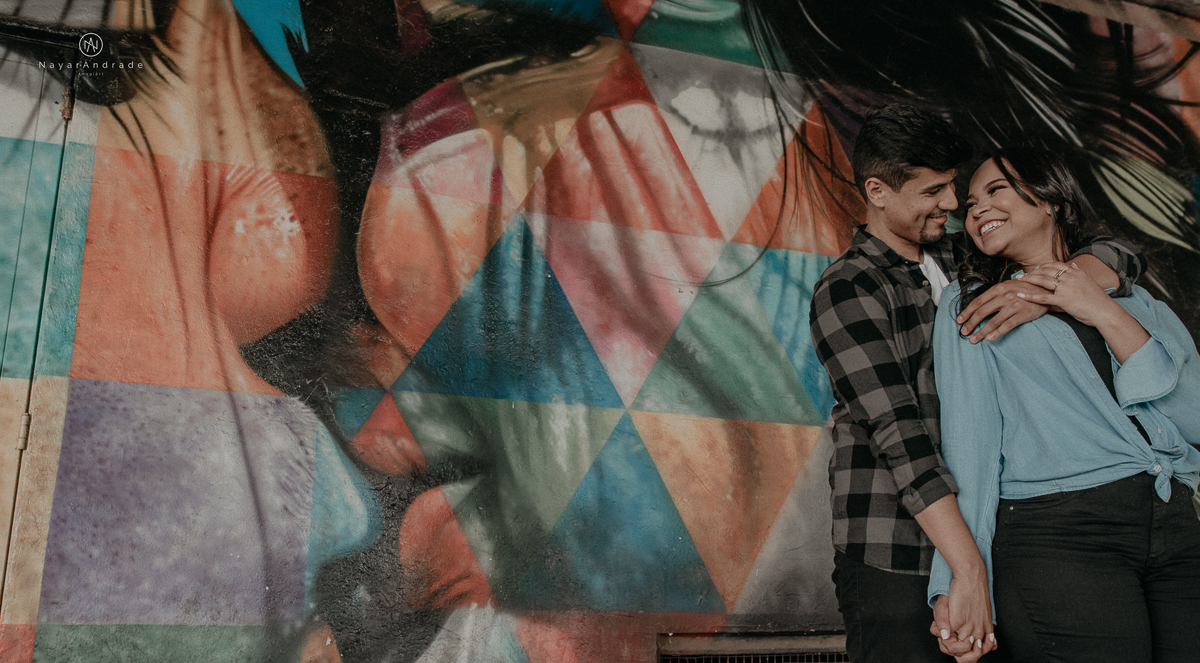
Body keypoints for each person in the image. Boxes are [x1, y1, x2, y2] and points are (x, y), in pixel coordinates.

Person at [809, 105, 1146, 663]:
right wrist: (965, 568)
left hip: (996, 536)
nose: (952, 203)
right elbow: (902, 437)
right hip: (898, 549)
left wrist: (1047, 287)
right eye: (933, 190)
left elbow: (1120, 254)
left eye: (953, 187)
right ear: (878, 191)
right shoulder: (848, 289)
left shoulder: (967, 252)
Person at [928, 147, 1200, 663]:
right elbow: (971, 449)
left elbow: (1194, 417)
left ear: (1050, 198)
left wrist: (1097, 307)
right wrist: (958, 577)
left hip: (1175, 530)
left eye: (995, 190)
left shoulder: (1137, 301)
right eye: (970, 202)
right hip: (1061, 536)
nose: (976, 208)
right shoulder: (975, 305)